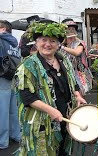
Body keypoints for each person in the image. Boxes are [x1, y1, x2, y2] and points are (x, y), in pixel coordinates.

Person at [14, 21, 87, 155]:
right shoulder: (28, 66)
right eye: (44, 40)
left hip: (65, 117)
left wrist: (77, 95)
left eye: (53, 41)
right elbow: (27, 97)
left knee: (63, 151)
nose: (48, 44)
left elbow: (72, 82)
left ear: (59, 44)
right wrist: (50, 110)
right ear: (36, 42)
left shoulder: (63, 60)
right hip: (42, 123)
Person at [0, 20, 21, 150]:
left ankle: (2, 141)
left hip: (2, 77)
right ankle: (16, 135)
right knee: (13, 109)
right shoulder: (14, 42)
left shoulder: (0, 40)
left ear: (2, 29)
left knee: (2, 111)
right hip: (13, 76)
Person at [60, 20, 93, 96]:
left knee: (80, 95)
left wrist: (62, 47)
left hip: (79, 73)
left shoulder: (79, 43)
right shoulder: (63, 44)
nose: (70, 31)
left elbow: (76, 52)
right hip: (66, 73)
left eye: (72, 29)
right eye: (68, 29)